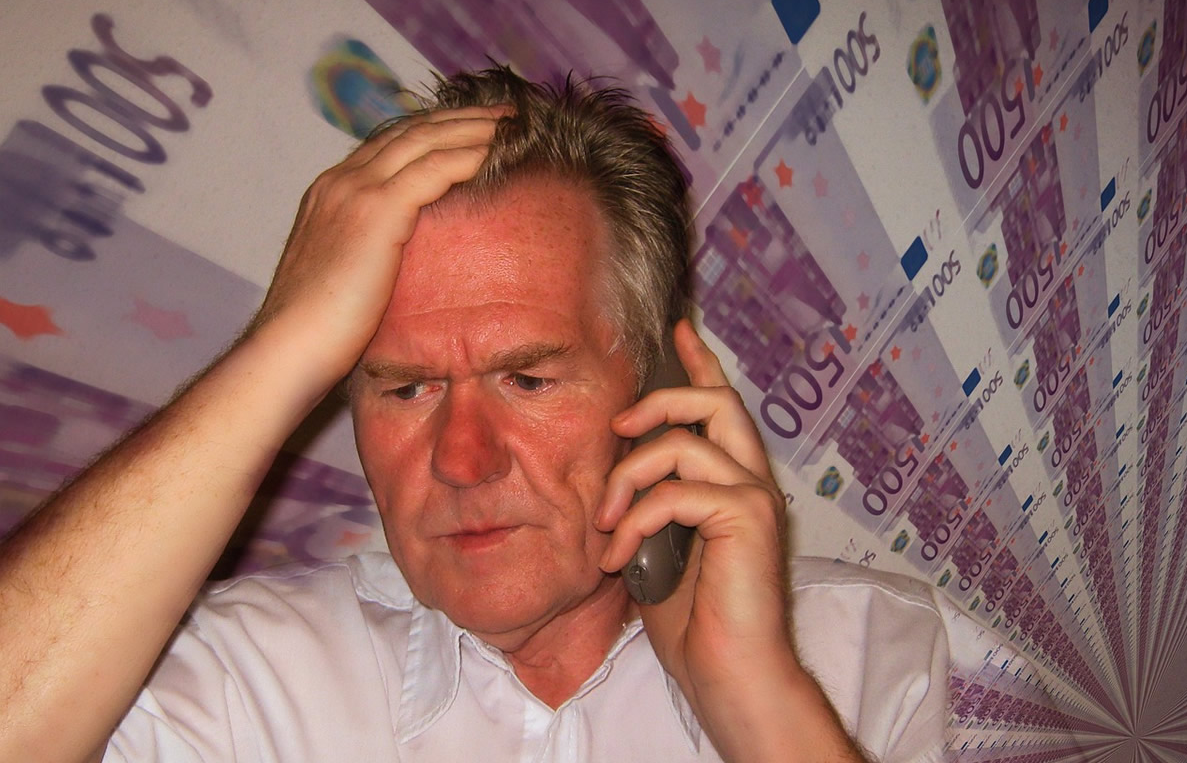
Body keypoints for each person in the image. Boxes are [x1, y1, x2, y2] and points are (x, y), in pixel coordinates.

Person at [0, 67, 950, 762]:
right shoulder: (241, 681)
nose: (462, 458)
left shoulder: (867, 652)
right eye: (405, 387)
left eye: (528, 379)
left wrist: (756, 709)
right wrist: (279, 350)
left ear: (659, 389)